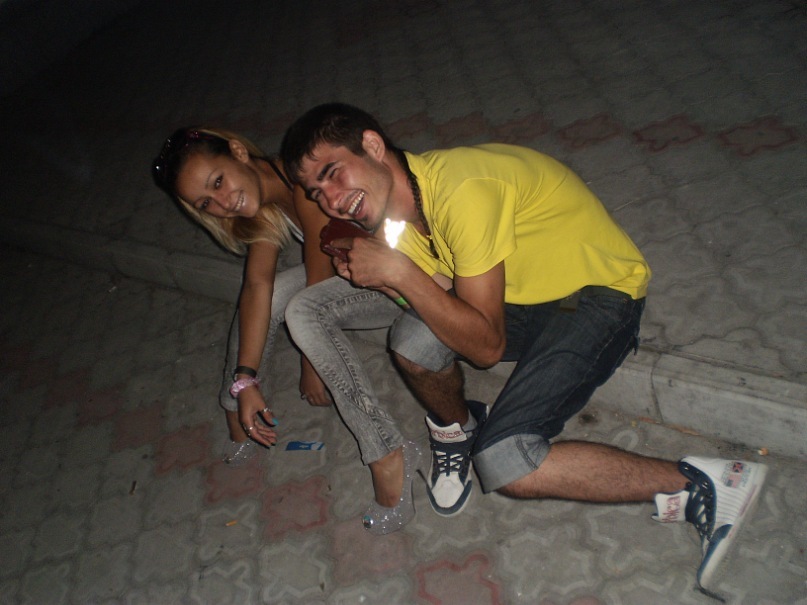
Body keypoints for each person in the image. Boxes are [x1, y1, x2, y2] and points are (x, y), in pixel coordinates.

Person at [279, 103, 768, 590]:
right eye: (317, 192)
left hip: (596, 293)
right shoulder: (394, 221)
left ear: (371, 146)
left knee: (507, 462)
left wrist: (399, 273)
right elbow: (440, 294)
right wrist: (387, 279)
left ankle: (707, 483)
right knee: (410, 340)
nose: (331, 200)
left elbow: (486, 348)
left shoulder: (461, 189)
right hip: (524, 298)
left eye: (333, 173)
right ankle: (458, 430)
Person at [152, 126, 334, 465]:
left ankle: (387, 453)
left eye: (218, 181)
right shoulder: (262, 196)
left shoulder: (302, 184)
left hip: (391, 278)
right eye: (206, 203)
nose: (222, 203)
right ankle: (236, 409)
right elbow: (256, 285)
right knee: (262, 297)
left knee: (296, 305)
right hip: (343, 269)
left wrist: (312, 364)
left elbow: (319, 287)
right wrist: (244, 380)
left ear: (238, 151)